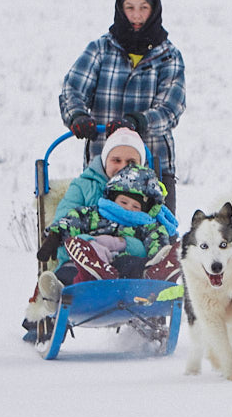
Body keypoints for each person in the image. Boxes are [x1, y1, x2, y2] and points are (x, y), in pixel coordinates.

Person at [59, 0, 185, 213]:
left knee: (158, 240)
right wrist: (77, 116)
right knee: (97, 234)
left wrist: (137, 122)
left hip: (152, 165)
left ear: (154, 11)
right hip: (104, 166)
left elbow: (171, 110)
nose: (136, 16)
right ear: (120, 9)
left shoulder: (169, 56)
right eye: (130, 8)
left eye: (143, 8)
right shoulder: (100, 50)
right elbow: (73, 89)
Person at [23, 129, 164, 328]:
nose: (123, 167)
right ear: (105, 160)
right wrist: (87, 244)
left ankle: (156, 283)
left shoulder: (146, 196)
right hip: (81, 261)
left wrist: (125, 245)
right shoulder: (83, 187)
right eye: (116, 160)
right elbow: (69, 221)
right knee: (68, 273)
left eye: (131, 162)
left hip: (126, 266)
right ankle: (57, 295)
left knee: (137, 268)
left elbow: (154, 232)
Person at [37, 164, 181, 285]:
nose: (128, 208)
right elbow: (73, 221)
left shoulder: (145, 225)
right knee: (71, 264)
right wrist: (55, 235)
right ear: (112, 199)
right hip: (87, 262)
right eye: (124, 202)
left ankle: (156, 273)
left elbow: (156, 239)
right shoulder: (96, 214)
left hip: (121, 272)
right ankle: (54, 292)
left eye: (135, 207)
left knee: (131, 264)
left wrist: (158, 258)